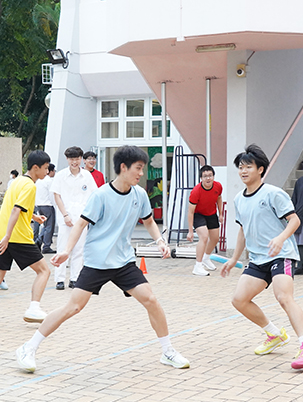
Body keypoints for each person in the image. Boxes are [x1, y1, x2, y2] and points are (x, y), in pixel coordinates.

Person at [14, 146, 190, 373]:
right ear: (123, 167)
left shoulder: (139, 195)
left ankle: (167, 351)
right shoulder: (101, 195)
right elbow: (80, 224)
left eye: (142, 169)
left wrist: (160, 241)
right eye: (138, 168)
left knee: (151, 300)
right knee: (73, 307)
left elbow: (148, 221)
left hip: (124, 262)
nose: (141, 174)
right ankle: (28, 347)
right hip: (97, 262)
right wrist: (67, 250)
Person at [220, 144, 303, 370]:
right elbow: (243, 230)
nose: (243, 171)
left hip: (281, 254)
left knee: (283, 296)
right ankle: (274, 334)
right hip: (258, 258)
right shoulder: (239, 199)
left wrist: (280, 239)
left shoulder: (273, 193)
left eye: (248, 167)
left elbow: (294, 220)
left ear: (260, 169)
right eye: (240, 167)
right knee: (239, 300)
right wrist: (234, 259)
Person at [0, 151, 51, 328]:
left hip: (2, 235)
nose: (47, 172)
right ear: (36, 168)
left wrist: (34, 217)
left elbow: (14, 207)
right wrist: (9, 237)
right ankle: (34, 308)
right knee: (44, 271)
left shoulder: (17, 181)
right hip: (17, 236)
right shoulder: (30, 186)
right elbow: (16, 210)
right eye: (46, 168)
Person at [51, 146, 97, 290]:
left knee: (79, 249)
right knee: (63, 248)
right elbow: (57, 196)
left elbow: (94, 195)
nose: (74, 162)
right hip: (66, 218)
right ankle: (59, 279)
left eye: (77, 159)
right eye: (71, 159)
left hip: (82, 219)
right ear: (67, 159)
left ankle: (75, 278)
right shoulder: (61, 176)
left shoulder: (87, 176)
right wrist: (65, 215)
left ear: (81, 159)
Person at [187, 164, 223, 276]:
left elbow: (219, 198)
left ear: (213, 176)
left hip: (211, 213)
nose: (208, 178)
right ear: (201, 178)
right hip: (198, 214)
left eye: (210, 175)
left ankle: (206, 258)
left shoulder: (218, 186)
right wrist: (190, 231)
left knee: (215, 238)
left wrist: (221, 214)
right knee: (204, 236)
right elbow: (190, 212)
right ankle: (198, 266)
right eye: (205, 176)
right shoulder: (196, 191)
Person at [32, 164, 56, 254]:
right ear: (50, 171)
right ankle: (46, 246)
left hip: (39, 205)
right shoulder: (49, 181)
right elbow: (52, 194)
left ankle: (38, 240)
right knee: (49, 226)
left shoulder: (38, 181)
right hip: (48, 205)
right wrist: (55, 205)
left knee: (45, 226)